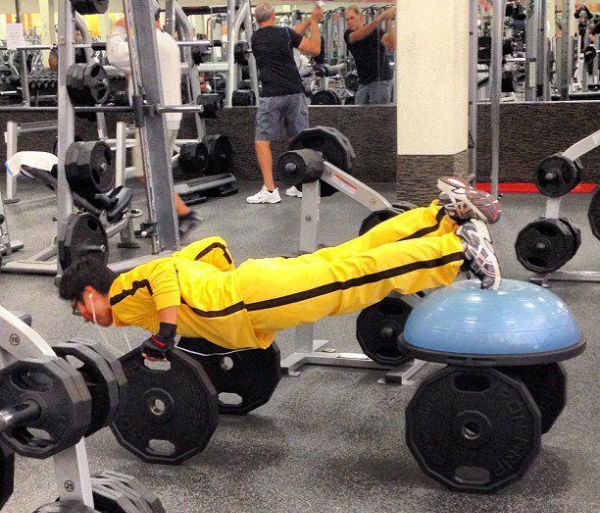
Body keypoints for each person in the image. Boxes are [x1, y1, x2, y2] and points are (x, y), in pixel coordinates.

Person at [59, 180, 501, 360]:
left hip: (253, 299)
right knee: (352, 257)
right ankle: (442, 215)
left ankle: (457, 249)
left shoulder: (123, 292)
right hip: (255, 285)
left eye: (79, 307)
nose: (83, 316)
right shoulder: (140, 293)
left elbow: (163, 278)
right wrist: (221, 286)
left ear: (91, 294)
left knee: (355, 277)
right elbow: (213, 246)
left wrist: (167, 334)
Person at [106, 1, 202, 236]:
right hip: (165, 115)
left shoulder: (149, 42)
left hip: (155, 118)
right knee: (156, 171)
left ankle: (183, 215)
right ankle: (167, 219)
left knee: (147, 172)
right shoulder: (167, 40)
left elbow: (115, 55)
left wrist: (119, 29)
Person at [246, 2, 323, 205]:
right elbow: (314, 48)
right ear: (274, 16)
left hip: (272, 95)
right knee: (300, 140)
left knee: (262, 141)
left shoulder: (256, 38)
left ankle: (270, 190)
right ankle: (302, 186)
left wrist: (309, 20)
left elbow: (290, 35)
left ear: (256, 20)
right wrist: (314, 22)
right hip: (294, 93)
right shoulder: (285, 34)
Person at [344, 6, 395, 106]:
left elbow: (392, 45)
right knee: (360, 114)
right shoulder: (348, 34)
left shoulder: (375, 31)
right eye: (347, 19)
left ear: (361, 17)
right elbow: (359, 35)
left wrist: (389, 20)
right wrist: (380, 19)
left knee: (377, 114)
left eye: (352, 18)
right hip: (363, 82)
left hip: (379, 80)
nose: (349, 22)